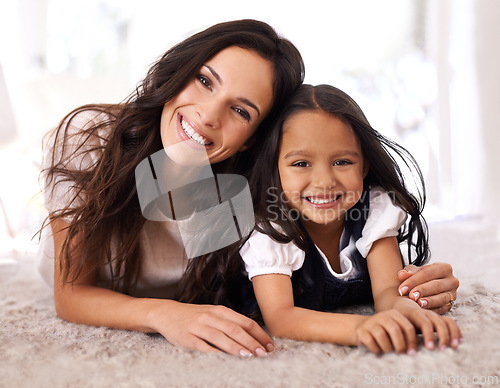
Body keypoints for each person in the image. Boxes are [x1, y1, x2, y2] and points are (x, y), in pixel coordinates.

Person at [39, 19, 458, 357]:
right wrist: (167, 315)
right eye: (205, 81)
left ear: (255, 136)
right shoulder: (91, 139)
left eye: (241, 110)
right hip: (105, 287)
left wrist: (406, 290)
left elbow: (322, 248)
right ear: (178, 71)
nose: (207, 115)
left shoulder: (250, 191)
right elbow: (72, 293)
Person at [237, 84, 462, 354]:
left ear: (364, 166)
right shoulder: (270, 228)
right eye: (301, 164)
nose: (324, 182)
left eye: (342, 162)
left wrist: (408, 309)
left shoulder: (376, 209)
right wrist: (360, 328)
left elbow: (387, 292)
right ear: (275, 169)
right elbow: (281, 318)